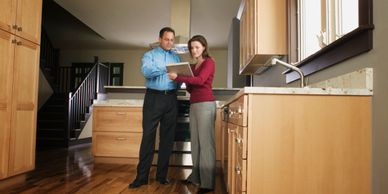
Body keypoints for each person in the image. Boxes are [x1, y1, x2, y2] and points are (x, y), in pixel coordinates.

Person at [129, 27, 181, 189]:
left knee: (167, 139)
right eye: (166, 39)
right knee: (148, 137)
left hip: (171, 98)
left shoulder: (177, 58)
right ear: (160, 39)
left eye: (172, 40)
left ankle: (161, 176)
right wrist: (166, 68)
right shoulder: (149, 55)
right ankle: (142, 177)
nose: (169, 42)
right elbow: (147, 71)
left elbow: (179, 79)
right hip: (154, 98)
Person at [168, 35, 216, 194]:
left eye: (197, 47)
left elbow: (201, 81)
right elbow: (191, 88)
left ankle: (207, 183)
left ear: (203, 47)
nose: (194, 50)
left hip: (205, 105)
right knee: (195, 143)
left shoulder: (209, 62)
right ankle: (196, 176)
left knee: (206, 144)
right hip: (194, 105)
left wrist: (180, 77)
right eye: (191, 48)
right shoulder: (194, 66)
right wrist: (185, 80)